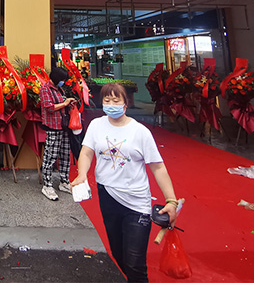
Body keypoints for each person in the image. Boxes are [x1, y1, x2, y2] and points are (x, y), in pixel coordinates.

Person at [72, 82, 178, 282]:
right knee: (118, 254)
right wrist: (82, 173)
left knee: (135, 263)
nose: (111, 104)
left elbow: (158, 167)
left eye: (116, 100)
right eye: (107, 100)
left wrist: (171, 200)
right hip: (107, 196)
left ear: (125, 103)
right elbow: (86, 152)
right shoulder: (96, 125)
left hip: (136, 202)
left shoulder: (140, 132)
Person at [39, 66, 76, 201]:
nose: (63, 82)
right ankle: (47, 185)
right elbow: (49, 107)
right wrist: (65, 103)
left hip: (64, 126)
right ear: (56, 78)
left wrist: (69, 104)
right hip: (53, 127)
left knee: (65, 154)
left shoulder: (60, 89)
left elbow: (61, 104)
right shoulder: (45, 89)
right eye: (62, 80)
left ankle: (64, 181)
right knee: (50, 156)